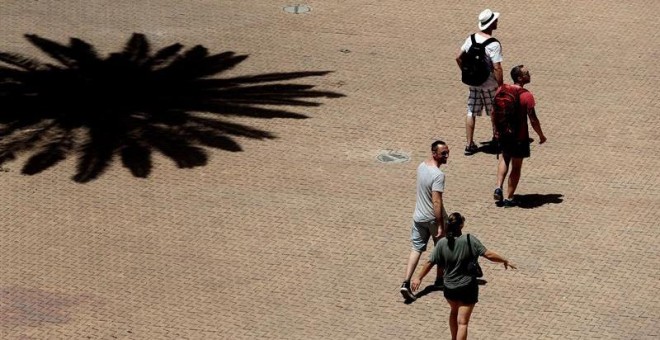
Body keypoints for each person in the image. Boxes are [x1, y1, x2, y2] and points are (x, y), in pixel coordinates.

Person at [412, 212, 516, 340]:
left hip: (449, 287)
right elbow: (488, 254)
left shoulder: (442, 243)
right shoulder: (469, 240)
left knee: (454, 311)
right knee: (463, 322)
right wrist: (504, 260)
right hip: (467, 287)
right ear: (461, 225)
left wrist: (418, 277)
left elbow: (430, 262)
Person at [399, 140, 450, 302]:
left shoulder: (421, 166)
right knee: (441, 248)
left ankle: (405, 282)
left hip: (418, 216)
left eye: (447, 152)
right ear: (434, 153)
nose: (446, 155)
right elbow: (436, 202)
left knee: (416, 248)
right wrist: (441, 224)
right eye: (443, 153)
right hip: (432, 219)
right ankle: (439, 280)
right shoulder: (438, 175)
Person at [493, 65, 547, 207]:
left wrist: (496, 131)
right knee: (516, 166)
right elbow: (533, 119)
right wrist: (541, 135)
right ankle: (510, 198)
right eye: (526, 73)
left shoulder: (502, 90)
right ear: (520, 78)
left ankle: (498, 187)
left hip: (504, 133)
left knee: (505, 158)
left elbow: (494, 112)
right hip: (519, 136)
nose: (529, 74)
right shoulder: (526, 95)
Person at [456, 9, 504, 156]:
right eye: (495, 20)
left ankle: (469, 144)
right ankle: (497, 139)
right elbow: (497, 67)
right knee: (494, 111)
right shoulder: (494, 44)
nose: (497, 22)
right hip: (489, 84)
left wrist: (467, 73)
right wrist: (501, 86)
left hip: (474, 83)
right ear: (491, 24)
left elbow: (458, 57)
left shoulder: (471, 39)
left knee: (471, 111)